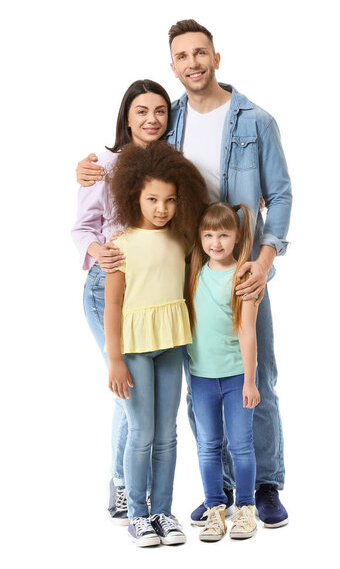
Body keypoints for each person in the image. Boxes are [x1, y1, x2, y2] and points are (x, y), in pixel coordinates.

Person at [76, 19, 292, 528]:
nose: (192, 63)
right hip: (187, 268)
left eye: (201, 53)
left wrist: (263, 261)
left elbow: (279, 195)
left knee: (253, 371)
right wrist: (90, 169)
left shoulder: (254, 120)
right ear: (173, 66)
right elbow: (128, 155)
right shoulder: (168, 119)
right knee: (199, 374)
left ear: (216, 58)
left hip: (240, 268)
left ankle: (264, 484)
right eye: (182, 56)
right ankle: (214, 491)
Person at [71, 79, 173, 525]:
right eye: (141, 111)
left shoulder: (172, 163)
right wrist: (99, 251)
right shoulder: (102, 165)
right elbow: (82, 228)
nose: (151, 119)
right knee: (127, 388)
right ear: (126, 116)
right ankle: (124, 486)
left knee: (134, 397)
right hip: (108, 286)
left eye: (160, 111)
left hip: (156, 292)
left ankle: (125, 484)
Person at [104, 140, 207, 546]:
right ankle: (137, 515)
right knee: (141, 429)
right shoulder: (121, 245)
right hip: (133, 348)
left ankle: (163, 511)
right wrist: (114, 359)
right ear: (135, 196)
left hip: (172, 343)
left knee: (167, 431)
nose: (161, 208)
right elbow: (112, 304)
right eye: (152, 199)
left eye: (169, 200)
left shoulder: (182, 242)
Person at [186, 202, 260, 542]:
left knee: (241, 446)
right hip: (201, 376)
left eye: (224, 235)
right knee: (208, 445)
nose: (216, 242)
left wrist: (249, 380)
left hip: (235, 377)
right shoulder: (194, 270)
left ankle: (245, 507)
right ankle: (215, 507)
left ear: (237, 236)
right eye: (209, 234)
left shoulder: (242, 276)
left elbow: (247, 331)